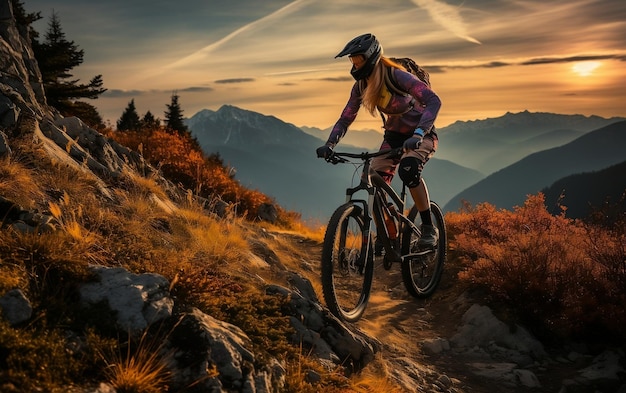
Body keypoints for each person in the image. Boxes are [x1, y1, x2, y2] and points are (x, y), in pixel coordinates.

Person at [316, 33, 442, 249]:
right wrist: (329, 145)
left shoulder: (397, 75)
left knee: (409, 169)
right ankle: (388, 234)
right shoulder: (361, 86)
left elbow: (433, 101)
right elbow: (346, 117)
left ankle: (429, 227)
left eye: (358, 59)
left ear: (371, 56)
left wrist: (419, 133)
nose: (355, 65)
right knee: (371, 179)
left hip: (422, 135)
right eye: (352, 60)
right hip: (393, 138)